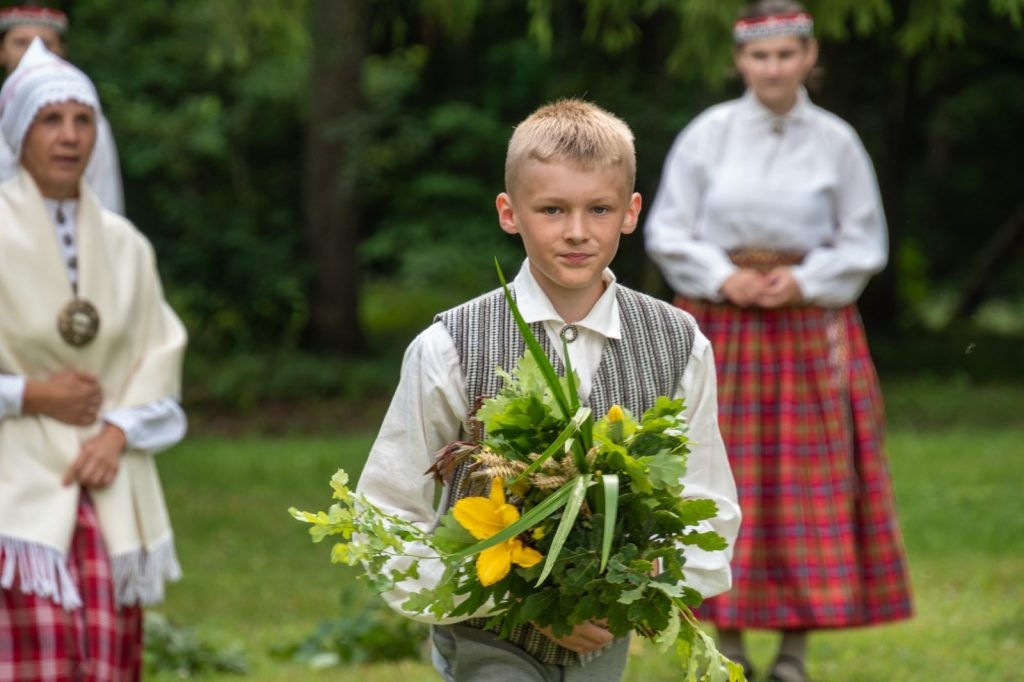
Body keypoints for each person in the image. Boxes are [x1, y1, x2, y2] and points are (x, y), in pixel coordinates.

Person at [356, 98, 741, 681]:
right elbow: (386, 510)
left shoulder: (678, 341)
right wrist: (513, 599)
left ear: (631, 212)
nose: (578, 232)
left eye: (600, 209)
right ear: (510, 213)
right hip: (483, 632)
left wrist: (643, 583)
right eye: (553, 210)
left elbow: (706, 497)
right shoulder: (451, 345)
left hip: (601, 636)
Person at [644, 2, 913, 681]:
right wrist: (724, 276)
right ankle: (728, 640)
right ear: (740, 61)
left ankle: (795, 653)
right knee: (717, 471)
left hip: (809, 328)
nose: (773, 68)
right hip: (719, 323)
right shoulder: (708, 136)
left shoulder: (836, 143)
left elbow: (864, 239)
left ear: (809, 57)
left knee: (806, 483)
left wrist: (804, 279)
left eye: (786, 54)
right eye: (760, 56)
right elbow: (669, 229)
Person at [0, 38, 187, 681]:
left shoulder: (126, 246)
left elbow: (159, 354)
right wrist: (30, 395)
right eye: (51, 119)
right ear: (19, 132)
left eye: (83, 120)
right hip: (14, 482)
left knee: (104, 657)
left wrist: (116, 431)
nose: (69, 136)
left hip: (107, 478)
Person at [0, 3, 125, 214]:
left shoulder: (88, 117)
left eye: (46, 44)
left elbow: (105, 199)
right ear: (2, 51)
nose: (69, 136)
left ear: (61, 50)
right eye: (21, 43)